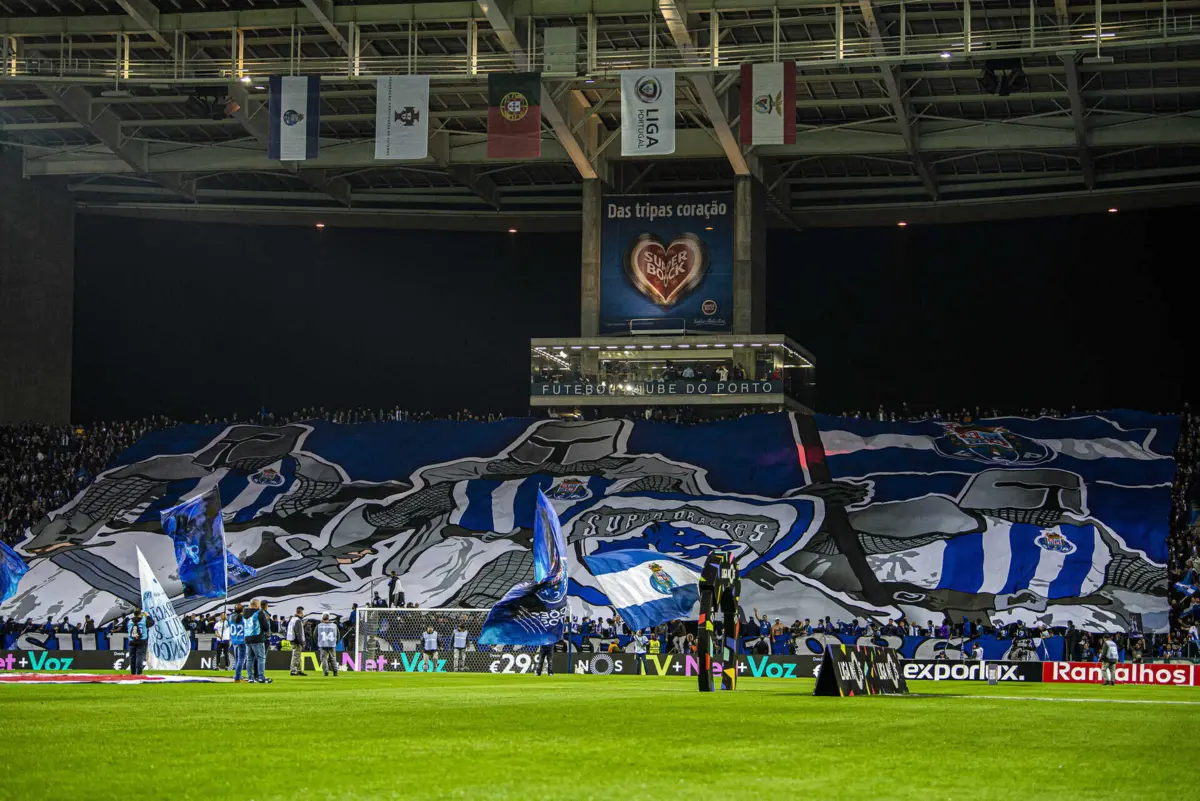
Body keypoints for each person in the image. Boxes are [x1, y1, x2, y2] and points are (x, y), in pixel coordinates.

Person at [243, 600, 272, 684]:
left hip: (247, 638)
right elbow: (266, 626)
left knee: (249, 659)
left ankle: (250, 678)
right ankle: (261, 677)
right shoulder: (259, 613)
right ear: (257, 605)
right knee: (261, 658)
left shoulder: (244, 613)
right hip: (257, 638)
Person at [126, 609, 152, 676]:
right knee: (139, 657)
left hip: (132, 641)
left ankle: (133, 673)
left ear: (134, 614)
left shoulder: (130, 621)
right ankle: (139, 673)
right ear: (140, 614)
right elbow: (152, 622)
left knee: (132, 657)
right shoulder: (144, 621)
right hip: (142, 641)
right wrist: (147, 616)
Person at [229, 603, 247, 682]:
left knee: (237, 659)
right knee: (241, 659)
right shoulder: (243, 618)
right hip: (242, 640)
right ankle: (237, 676)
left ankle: (237, 675)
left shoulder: (230, 618)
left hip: (234, 640)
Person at [287, 606, 307, 676]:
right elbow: (298, 633)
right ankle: (293, 671)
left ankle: (299, 670)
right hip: (296, 641)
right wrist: (301, 642)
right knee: (296, 656)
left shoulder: (292, 619)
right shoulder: (297, 620)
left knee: (297, 656)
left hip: (292, 639)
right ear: (301, 613)